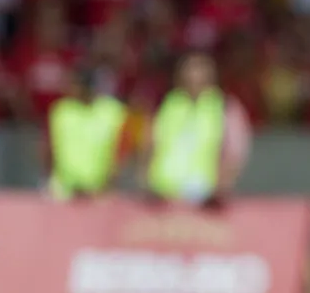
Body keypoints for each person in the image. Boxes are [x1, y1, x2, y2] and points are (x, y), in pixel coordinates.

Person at [141, 51, 252, 209]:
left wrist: (220, 188)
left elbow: (235, 152)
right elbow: (149, 145)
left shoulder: (225, 107)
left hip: (204, 200)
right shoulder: (167, 104)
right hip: (163, 199)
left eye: (199, 70)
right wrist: (147, 182)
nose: (194, 76)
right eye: (190, 70)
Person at [42, 67, 128, 201]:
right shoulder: (62, 111)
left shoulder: (112, 112)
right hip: (64, 191)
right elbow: (48, 148)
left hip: (98, 192)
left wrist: (111, 183)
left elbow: (123, 149)